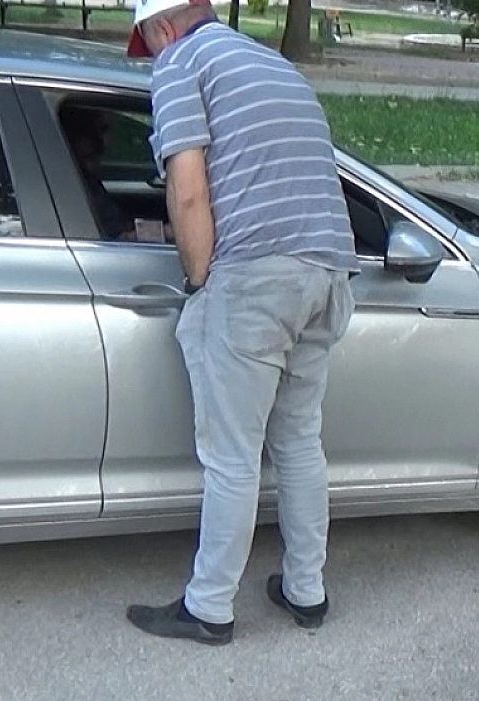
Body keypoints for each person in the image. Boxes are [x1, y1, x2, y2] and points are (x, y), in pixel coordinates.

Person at [122, 0, 359, 646]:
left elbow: (189, 188)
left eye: (147, 41)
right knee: (299, 440)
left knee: (231, 457)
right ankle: (305, 590)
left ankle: (208, 607)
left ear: (158, 28)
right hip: (327, 272)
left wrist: (201, 280)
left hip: (254, 277)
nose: (153, 55)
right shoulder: (274, 66)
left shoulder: (180, 64)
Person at [60, 105, 137, 242]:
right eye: (103, 130)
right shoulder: (70, 189)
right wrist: (164, 232)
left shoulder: (82, 180)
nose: (107, 142)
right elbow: (119, 240)